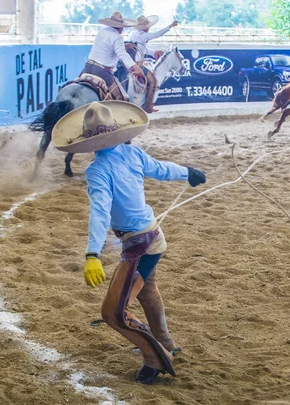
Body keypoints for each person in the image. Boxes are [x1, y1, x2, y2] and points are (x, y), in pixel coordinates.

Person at [52, 100, 206, 384]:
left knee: (114, 312)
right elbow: (161, 169)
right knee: (146, 292)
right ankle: (166, 341)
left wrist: (92, 254)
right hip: (151, 237)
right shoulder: (132, 154)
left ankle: (155, 357)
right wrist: (188, 172)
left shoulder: (97, 171)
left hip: (139, 245)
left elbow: (100, 211)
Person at [79, 12, 144, 102]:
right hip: (102, 72)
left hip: (88, 67)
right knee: (122, 98)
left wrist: (124, 46)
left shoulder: (102, 31)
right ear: (121, 28)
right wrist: (135, 67)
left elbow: (107, 47)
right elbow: (122, 54)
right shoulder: (117, 37)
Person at [128, 15, 179, 112]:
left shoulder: (133, 34)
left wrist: (154, 52)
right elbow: (157, 34)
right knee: (153, 81)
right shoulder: (144, 35)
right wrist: (170, 26)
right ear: (146, 27)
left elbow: (142, 49)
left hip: (129, 63)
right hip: (137, 64)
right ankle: (148, 106)